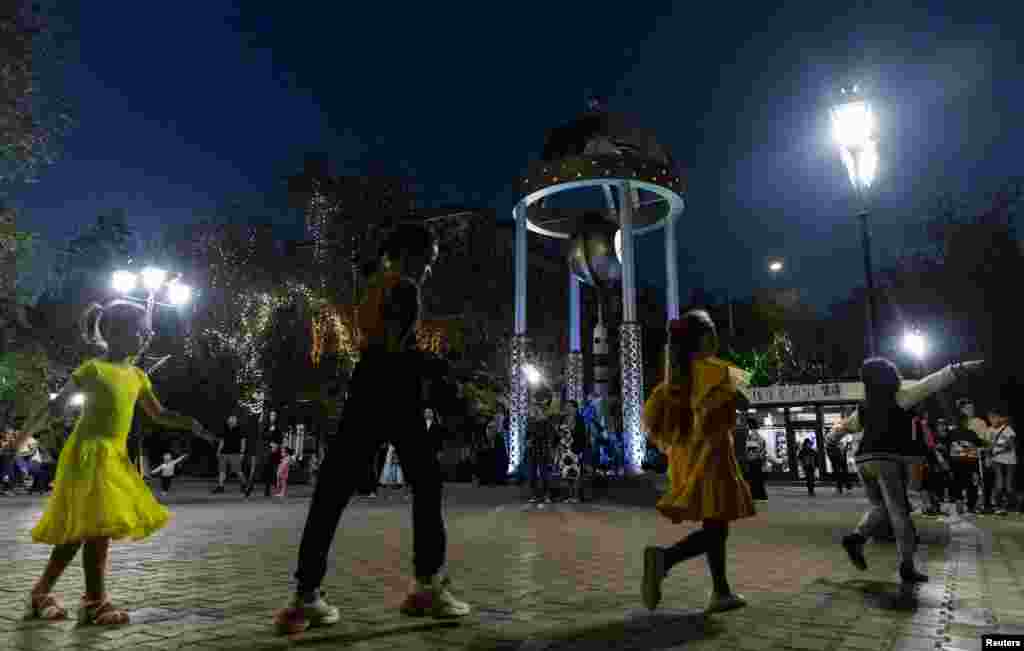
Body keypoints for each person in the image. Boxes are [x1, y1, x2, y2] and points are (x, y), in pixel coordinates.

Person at [273, 222, 469, 634]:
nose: (429, 270)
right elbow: (395, 348)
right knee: (426, 483)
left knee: (333, 490)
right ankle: (427, 586)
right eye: (428, 261)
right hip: (394, 388)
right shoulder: (404, 288)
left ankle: (305, 595)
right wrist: (433, 365)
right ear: (410, 256)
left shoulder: (373, 285)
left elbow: (375, 340)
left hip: (365, 387)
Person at [18, 300, 208, 624]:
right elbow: (59, 405)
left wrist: (187, 422)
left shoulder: (137, 376)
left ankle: (42, 593)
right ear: (117, 333)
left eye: (147, 332)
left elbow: (158, 414)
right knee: (97, 527)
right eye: (141, 331)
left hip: (113, 457)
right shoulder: (93, 370)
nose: (147, 337)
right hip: (88, 454)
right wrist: (39, 423)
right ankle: (94, 601)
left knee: (83, 530)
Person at [640, 310, 755, 615]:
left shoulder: (673, 380)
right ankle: (664, 560)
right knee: (717, 527)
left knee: (715, 524)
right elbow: (746, 398)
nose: (716, 337)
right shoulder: (720, 371)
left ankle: (721, 591)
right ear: (703, 338)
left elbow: (657, 427)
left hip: (685, 458)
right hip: (714, 456)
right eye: (713, 331)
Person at [833, 357, 984, 584]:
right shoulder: (900, 396)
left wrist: (831, 438)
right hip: (886, 459)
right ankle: (907, 565)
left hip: (863, 460)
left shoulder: (864, 406)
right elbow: (932, 382)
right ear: (891, 375)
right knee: (899, 512)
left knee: (879, 506)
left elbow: (845, 427)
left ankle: (856, 538)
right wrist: (962, 368)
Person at [947, 413, 985, 514]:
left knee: (957, 483)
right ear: (966, 422)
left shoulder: (951, 433)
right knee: (971, 485)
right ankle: (971, 506)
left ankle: (959, 503)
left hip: (956, 462)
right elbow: (980, 443)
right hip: (969, 462)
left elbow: (946, 445)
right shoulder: (971, 433)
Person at [987, 404, 1017, 515]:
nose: (992, 420)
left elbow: (1010, 446)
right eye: (990, 418)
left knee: (1008, 486)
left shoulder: (1007, 429)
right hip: (997, 460)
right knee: (999, 484)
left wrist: (996, 451)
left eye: (994, 417)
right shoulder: (989, 430)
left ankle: (1013, 506)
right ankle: (998, 507)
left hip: (1009, 460)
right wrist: (988, 455)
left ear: (999, 417)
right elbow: (989, 446)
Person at [214, 414, 248, 495]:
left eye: (232, 420)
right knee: (222, 471)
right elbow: (222, 441)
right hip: (224, 453)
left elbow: (243, 442)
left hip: (235, 453)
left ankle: (244, 484)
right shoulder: (225, 429)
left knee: (238, 471)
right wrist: (218, 451)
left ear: (236, 421)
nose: (230, 421)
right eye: (229, 420)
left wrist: (242, 452)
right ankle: (220, 486)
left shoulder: (240, 429)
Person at [744, 419, 768, 501]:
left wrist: (749, 455)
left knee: (754, 478)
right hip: (757, 459)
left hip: (753, 459)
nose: (746, 426)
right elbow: (762, 448)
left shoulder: (752, 435)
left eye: (747, 425)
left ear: (750, 425)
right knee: (758, 478)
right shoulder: (758, 435)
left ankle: (756, 495)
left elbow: (751, 449)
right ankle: (760, 495)